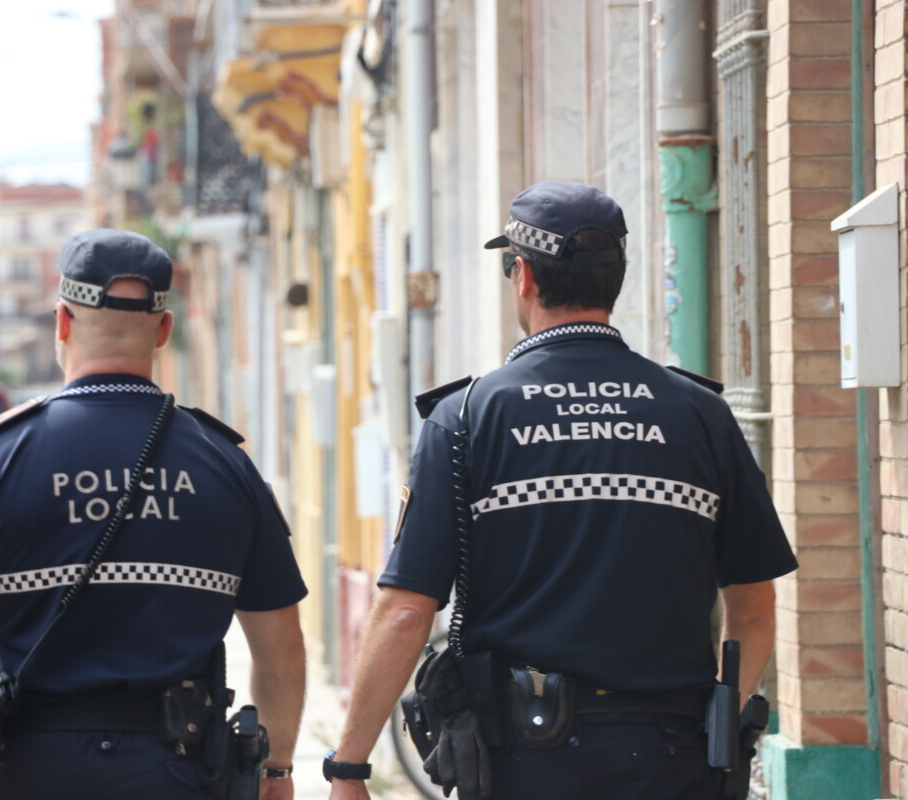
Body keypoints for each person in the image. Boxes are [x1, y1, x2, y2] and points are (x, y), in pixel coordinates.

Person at [326, 181, 798, 799]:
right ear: (616, 278)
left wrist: (351, 767)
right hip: (674, 760)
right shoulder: (702, 414)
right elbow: (755, 609)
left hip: (527, 763)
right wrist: (714, 729)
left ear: (522, 275)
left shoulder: (466, 417)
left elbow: (409, 610)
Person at [0, 229, 307, 800]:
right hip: (179, 776)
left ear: (62, 322)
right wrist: (277, 769)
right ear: (164, 331)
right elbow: (282, 645)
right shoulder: (227, 465)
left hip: (32, 775)